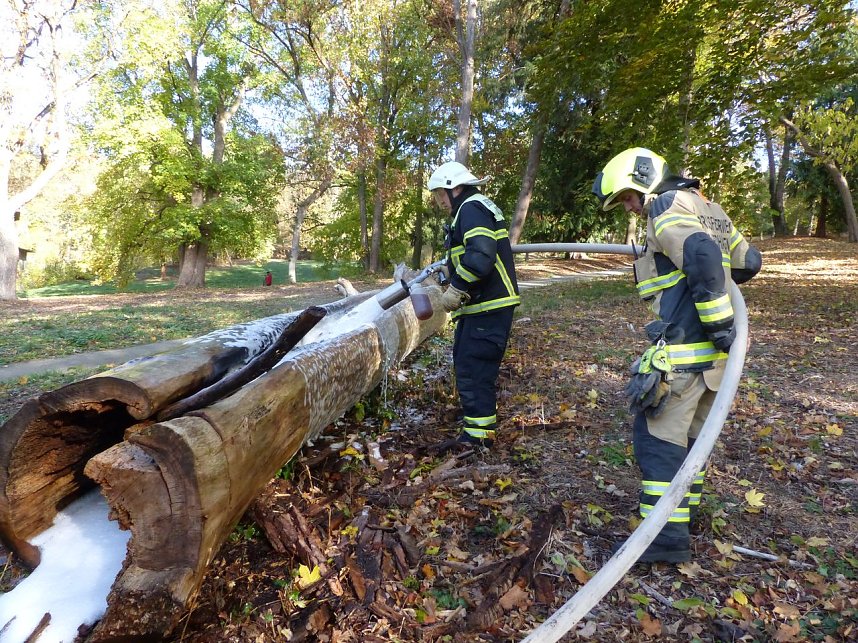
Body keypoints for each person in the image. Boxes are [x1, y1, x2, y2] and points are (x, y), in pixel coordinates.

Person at [592, 147, 762, 563]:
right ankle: (685, 516)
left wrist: (717, 319)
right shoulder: (707, 206)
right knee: (692, 442)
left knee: (658, 443)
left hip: (685, 359)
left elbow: (702, 255)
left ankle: (662, 540)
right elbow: (748, 262)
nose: (631, 209)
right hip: (715, 365)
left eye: (630, 198)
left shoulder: (666, 204)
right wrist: (714, 300)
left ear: (646, 181)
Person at [427, 161, 520, 449]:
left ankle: (477, 440)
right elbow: (471, 253)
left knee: (474, 368)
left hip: (488, 306)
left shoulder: (470, 208)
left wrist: (456, 288)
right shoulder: (472, 209)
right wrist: (448, 273)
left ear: (454, 187)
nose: (438, 200)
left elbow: (480, 255)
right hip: (484, 305)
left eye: (440, 193)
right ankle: (477, 431)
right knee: (470, 366)